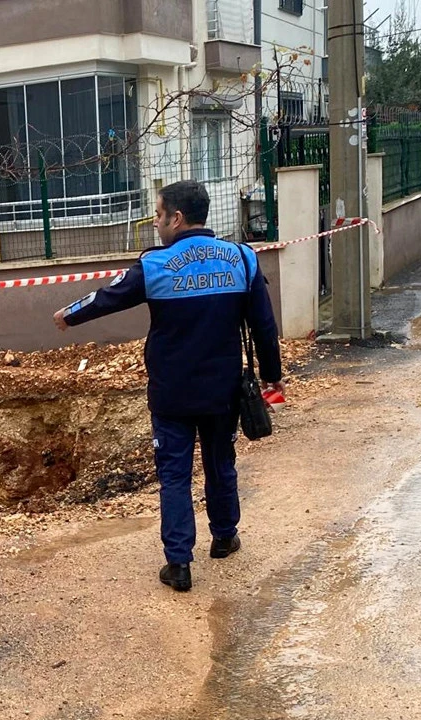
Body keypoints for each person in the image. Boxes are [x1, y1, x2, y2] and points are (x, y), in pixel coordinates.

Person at [53, 180, 284, 592]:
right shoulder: (241, 260)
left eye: (159, 215)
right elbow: (264, 327)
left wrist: (69, 314)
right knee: (220, 462)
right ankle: (225, 536)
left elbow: (109, 297)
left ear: (177, 218)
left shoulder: (156, 266)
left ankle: (179, 565)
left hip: (171, 393)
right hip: (222, 391)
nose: (156, 224)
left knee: (174, 476)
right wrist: (271, 375)